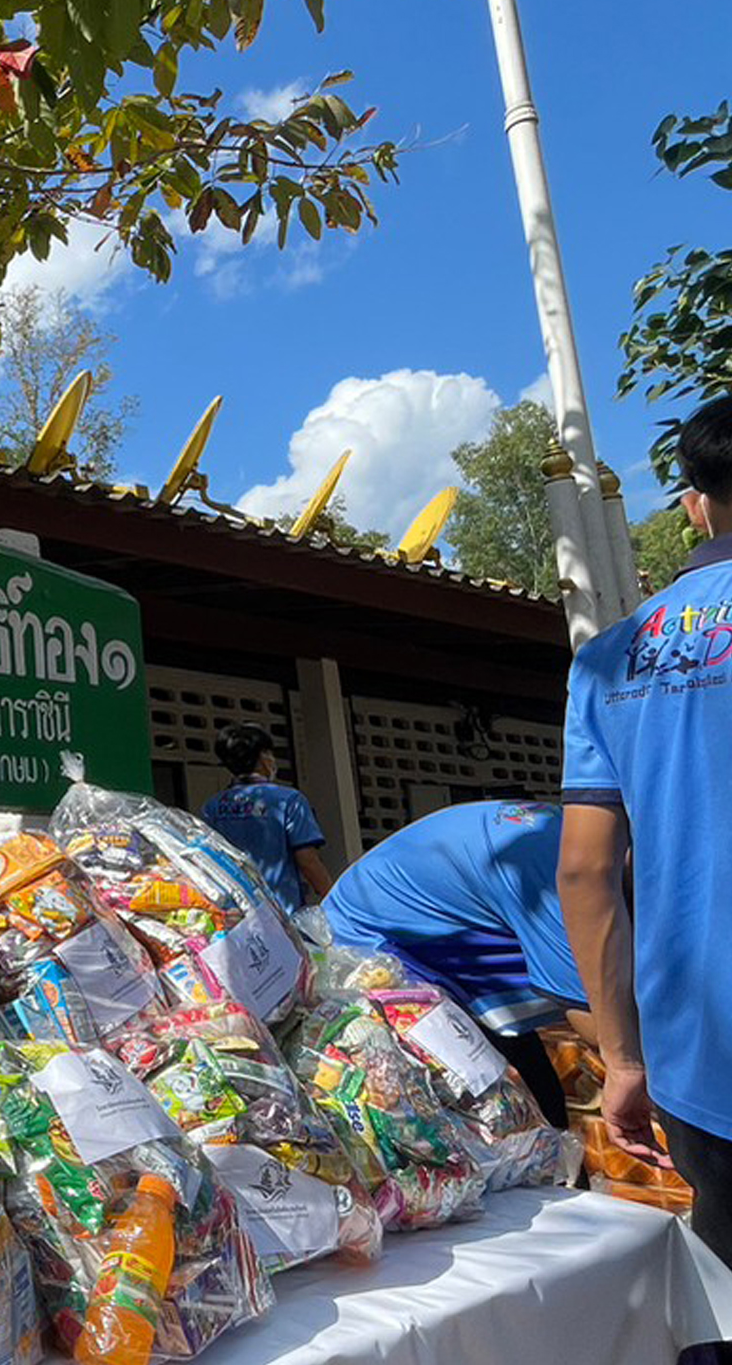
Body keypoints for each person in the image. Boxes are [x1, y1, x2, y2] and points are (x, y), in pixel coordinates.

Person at [560, 393, 732, 1267]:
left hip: (700, 1056)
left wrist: (623, 1058)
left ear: (695, 501)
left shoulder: (607, 660)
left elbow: (587, 873)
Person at [320, 799, 589, 1126]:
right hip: (373, 955)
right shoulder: (557, 873)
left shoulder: (572, 833)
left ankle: (557, 1162)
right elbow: (593, 1016)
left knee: (532, 1084)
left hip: (434, 944)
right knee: (488, 1098)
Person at [200, 722, 333, 919]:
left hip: (233, 917)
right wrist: (333, 900)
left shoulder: (212, 807)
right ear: (263, 757)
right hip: (280, 916)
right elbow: (308, 861)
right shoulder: (288, 800)